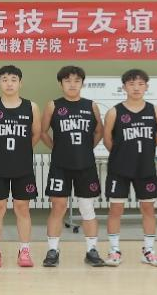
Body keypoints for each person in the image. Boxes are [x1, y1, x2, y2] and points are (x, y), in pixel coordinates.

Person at [39, 65, 107, 267]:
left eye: (77, 81)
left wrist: (86, 148)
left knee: (87, 207)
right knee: (58, 207)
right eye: (68, 80)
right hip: (60, 165)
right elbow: (42, 131)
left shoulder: (91, 105)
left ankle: (92, 250)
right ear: (61, 83)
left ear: (82, 84)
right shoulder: (53, 105)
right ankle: (53, 250)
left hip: (85, 164)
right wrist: (57, 147)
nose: (72, 84)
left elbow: (99, 131)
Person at [102, 68, 157, 267]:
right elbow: (107, 140)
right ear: (124, 87)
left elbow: (156, 139)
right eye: (131, 84)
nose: (136, 88)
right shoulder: (114, 112)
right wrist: (123, 154)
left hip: (145, 168)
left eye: (140, 84)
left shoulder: (155, 111)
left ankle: (149, 251)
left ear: (146, 86)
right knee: (116, 209)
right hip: (119, 169)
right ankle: (114, 250)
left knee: (148, 209)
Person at [0, 65, 40, 268]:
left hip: (23, 167)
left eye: (13, 79)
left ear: (20, 83)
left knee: (22, 208)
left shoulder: (31, 107)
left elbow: (35, 134)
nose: (9, 83)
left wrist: (21, 150)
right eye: (4, 79)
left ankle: (24, 250)